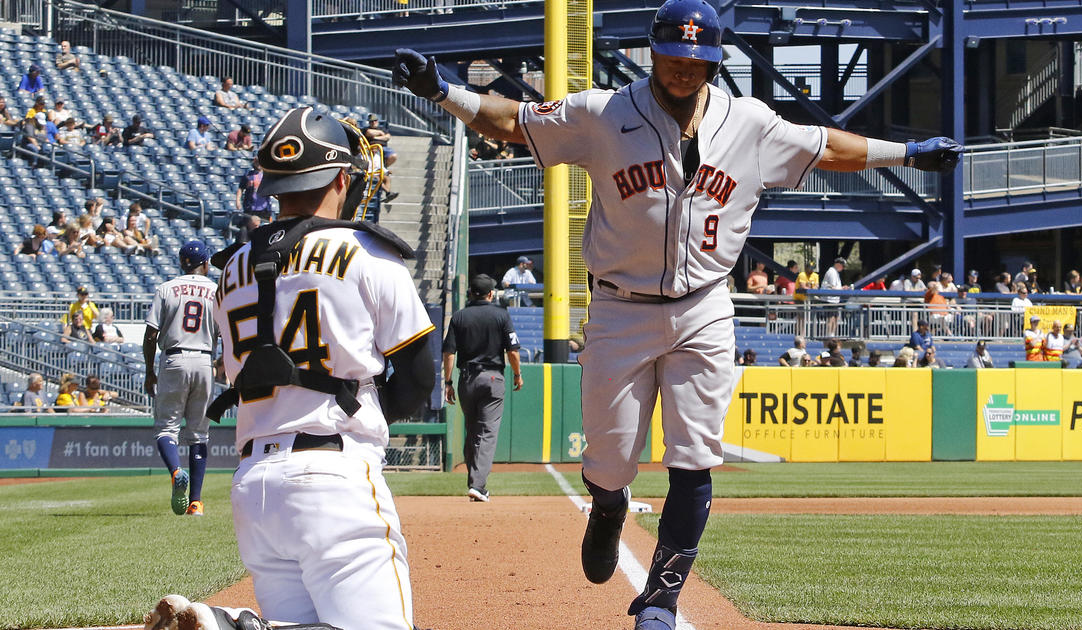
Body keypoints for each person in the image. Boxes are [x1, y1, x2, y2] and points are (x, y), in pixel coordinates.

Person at [392, 3, 964, 625]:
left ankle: (661, 596)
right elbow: (514, 121)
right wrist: (444, 91)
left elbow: (828, 147)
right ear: (655, 52)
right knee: (608, 465)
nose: (685, 70)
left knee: (695, 459)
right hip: (619, 308)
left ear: (713, 61)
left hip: (705, 306)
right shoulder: (603, 113)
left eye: (698, 61)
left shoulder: (749, 121)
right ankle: (610, 507)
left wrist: (906, 153)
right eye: (673, 58)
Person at [212, 106, 434, 630]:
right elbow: (422, 376)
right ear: (340, 177)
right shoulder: (366, 252)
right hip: (334, 469)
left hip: (253, 483)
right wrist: (369, 413)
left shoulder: (231, 268)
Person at [144, 241, 218, 517]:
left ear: (181, 262)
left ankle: (176, 471)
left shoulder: (166, 288)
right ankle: (196, 503)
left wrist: (149, 370)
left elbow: (151, 334)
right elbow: (227, 333)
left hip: (174, 357)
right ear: (206, 264)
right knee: (199, 434)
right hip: (204, 359)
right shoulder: (216, 291)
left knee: (167, 428)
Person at [442, 274, 523, 502]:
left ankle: (474, 482)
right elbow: (513, 351)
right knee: (487, 433)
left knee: (472, 431)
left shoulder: (459, 317)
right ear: (490, 294)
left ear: (470, 293)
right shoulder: (501, 315)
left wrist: (448, 382)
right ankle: (478, 485)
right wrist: (517, 374)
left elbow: (449, 353)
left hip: (467, 379)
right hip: (493, 378)